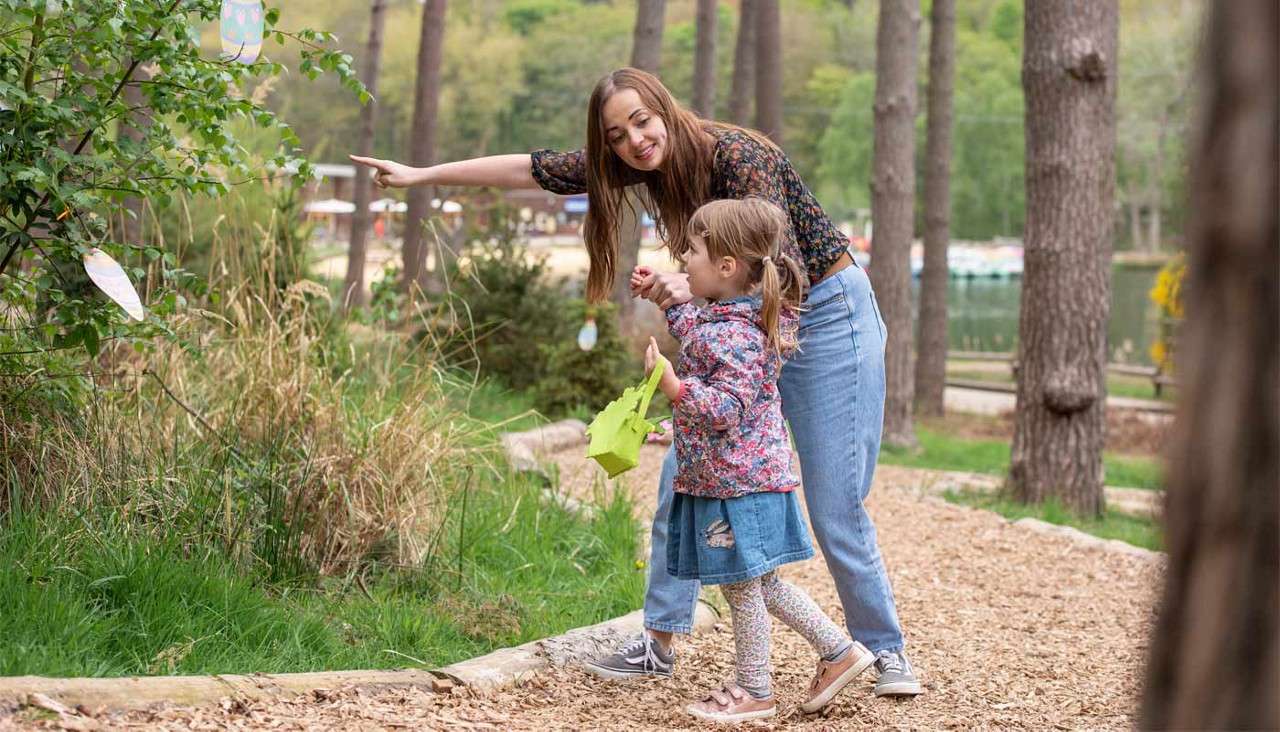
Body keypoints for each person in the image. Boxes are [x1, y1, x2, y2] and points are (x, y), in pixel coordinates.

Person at [349, 66, 922, 698]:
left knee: (835, 500)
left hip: (822, 314)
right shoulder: (638, 167)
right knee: (687, 473)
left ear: (664, 108)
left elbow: (776, 265)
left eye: (641, 122)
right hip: (734, 323)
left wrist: (687, 294)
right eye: (617, 135)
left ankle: (882, 650)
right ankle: (660, 640)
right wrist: (423, 176)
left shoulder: (739, 157)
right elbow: (533, 169)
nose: (634, 142)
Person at [637, 198, 874, 722]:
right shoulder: (726, 317)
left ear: (726, 268)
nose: (684, 258)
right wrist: (666, 301)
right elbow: (700, 340)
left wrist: (674, 389)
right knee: (763, 583)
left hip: (738, 485)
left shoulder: (739, 333)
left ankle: (755, 690)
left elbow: (725, 408)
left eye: (692, 251)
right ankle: (840, 652)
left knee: (741, 586)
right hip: (737, 476)